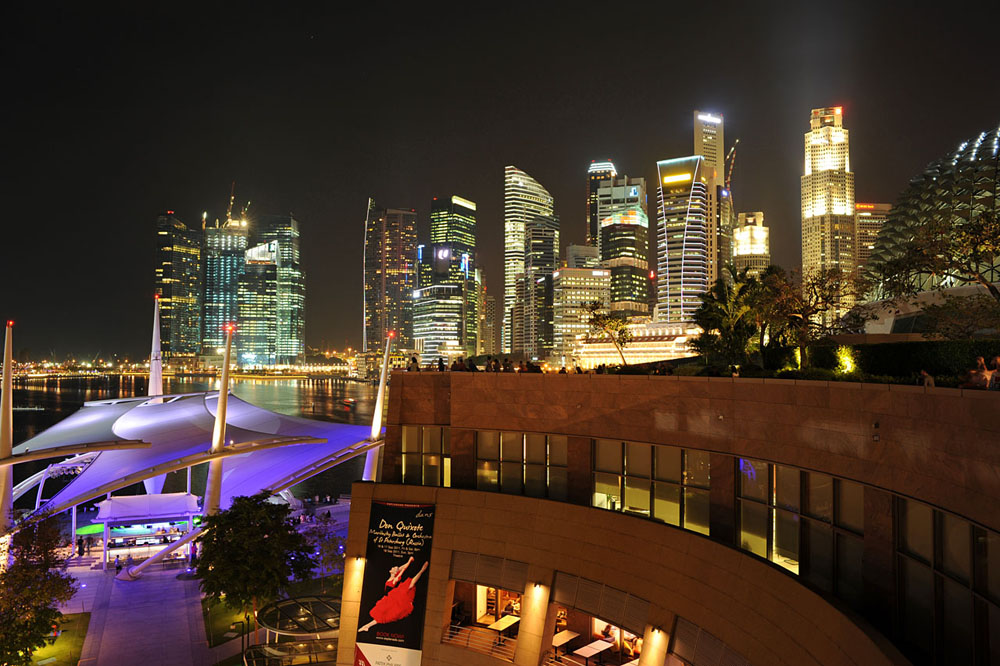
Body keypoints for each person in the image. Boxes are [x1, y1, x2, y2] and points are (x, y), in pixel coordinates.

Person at [358, 556, 430, 632]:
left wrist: (409, 561)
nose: (393, 568)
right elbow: (402, 567)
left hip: (391, 599)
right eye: (395, 568)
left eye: (394, 568)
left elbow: (403, 570)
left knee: (383, 615)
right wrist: (408, 562)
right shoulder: (393, 576)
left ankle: (367, 626)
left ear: (394, 572)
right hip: (387, 599)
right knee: (380, 616)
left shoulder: (395, 579)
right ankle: (367, 626)